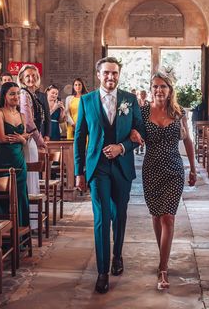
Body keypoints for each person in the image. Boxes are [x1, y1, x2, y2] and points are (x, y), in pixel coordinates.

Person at [74, 57, 145, 294]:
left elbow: (139, 132)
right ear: (98, 74)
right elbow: (79, 137)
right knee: (102, 218)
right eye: (106, 73)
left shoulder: (129, 99)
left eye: (114, 73)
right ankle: (102, 271)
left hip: (122, 166)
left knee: (120, 214)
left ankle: (118, 256)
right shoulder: (86, 101)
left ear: (119, 74)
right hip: (98, 167)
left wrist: (122, 147)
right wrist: (79, 172)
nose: (110, 77)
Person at [132, 70, 196, 290]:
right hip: (150, 169)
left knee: (168, 217)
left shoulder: (178, 113)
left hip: (173, 169)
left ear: (170, 90)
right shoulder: (141, 112)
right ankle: (163, 255)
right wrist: (132, 134)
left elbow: (187, 142)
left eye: (163, 87)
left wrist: (193, 169)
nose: (159, 90)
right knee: (156, 215)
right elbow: (132, 132)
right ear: (151, 90)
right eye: (155, 87)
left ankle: (163, 268)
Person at [0, 82, 30, 226]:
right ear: (4, 96)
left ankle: (20, 234)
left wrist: (22, 139)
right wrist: (21, 138)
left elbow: (25, 136)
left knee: (20, 195)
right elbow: (1, 138)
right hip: (3, 160)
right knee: (2, 195)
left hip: (19, 161)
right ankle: (2, 235)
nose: (16, 97)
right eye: (12, 94)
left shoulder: (22, 115)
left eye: (18, 93)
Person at [18, 64, 47, 210]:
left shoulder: (32, 94)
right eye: (28, 76)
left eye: (34, 75)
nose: (31, 78)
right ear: (22, 78)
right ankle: (28, 218)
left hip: (32, 140)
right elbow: (28, 121)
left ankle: (32, 219)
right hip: (28, 140)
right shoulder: (23, 94)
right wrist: (39, 139)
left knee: (34, 177)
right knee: (30, 178)